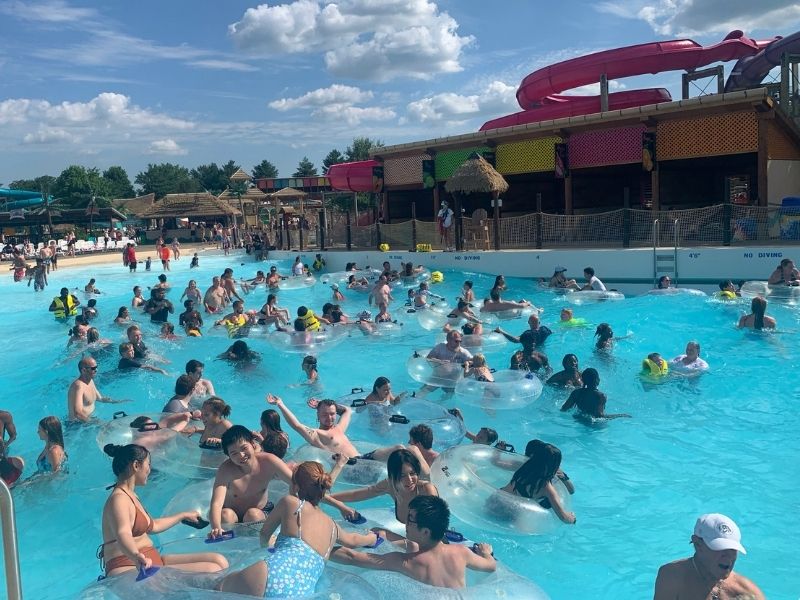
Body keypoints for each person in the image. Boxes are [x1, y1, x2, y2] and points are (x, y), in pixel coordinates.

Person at [217, 460, 380, 597]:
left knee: (217, 588)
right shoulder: (332, 526)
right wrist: (371, 538)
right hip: (299, 593)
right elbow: (353, 540)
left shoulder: (291, 503)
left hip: (267, 573)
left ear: (295, 487)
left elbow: (264, 534)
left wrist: (268, 547)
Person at [98, 443, 227, 577]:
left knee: (218, 560)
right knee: (212, 569)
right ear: (136, 465)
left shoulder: (131, 495)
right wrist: (136, 556)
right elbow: (123, 534)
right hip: (131, 565)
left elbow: (153, 526)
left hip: (148, 558)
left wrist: (183, 515)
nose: (150, 469)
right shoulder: (119, 499)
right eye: (148, 464)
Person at [331, 495, 496, 589]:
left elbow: (352, 557)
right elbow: (491, 566)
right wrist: (486, 553)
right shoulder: (461, 553)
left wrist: (320, 542)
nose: (406, 525)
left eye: (410, 520)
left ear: (425, 531)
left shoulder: (407, 562)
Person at [654, 513, 765, 600]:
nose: (728, 557)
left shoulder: (747, 592)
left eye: (733, 550)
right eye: (719, 548)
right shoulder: (673, 577)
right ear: (698, 544)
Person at [208, 426, 293, 537]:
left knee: (252, 514)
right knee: (225, 515)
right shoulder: (225, 470)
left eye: (244, 448)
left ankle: (257, 545)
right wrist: (216, 527)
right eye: (234, 453)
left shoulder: (269, 461)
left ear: (253, 444)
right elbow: (216, 503)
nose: (241, 455)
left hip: (259, 512)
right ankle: (230, 545)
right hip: (232, 514)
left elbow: (295, 483)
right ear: (228, 456)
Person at [331, 449, 439, 524]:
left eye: (412, 473)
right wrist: (327, 497)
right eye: (402, 475)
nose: (409, 480)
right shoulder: (390, 485)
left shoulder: (426, 491)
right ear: (392, 476)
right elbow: (357, 494)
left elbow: (432, 531)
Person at [493, 440, 576, 525]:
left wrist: (498, 451)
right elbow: (563, 517)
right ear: (555, 465)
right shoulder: (546, 487)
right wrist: (572, 518)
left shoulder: (522, 466)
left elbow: (496, 462)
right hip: (509, 513)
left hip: (494, 501)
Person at [267, 394, 360, 458]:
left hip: (361, 459)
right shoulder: (317, 434)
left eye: (332, 414)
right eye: (324, 414)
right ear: (318, 415)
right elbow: (296, 425)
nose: (329, 417)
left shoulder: (340, 428)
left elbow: (347, 411)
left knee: (375, 453)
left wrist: (321, 403)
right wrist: (280, 404)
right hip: (350, 467)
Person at [560, 368, 631, 421]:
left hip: (578, 420)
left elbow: (564, 409)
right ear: (597, 380)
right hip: (593, 426)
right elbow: (599, 417)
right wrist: (620, 415)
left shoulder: (576, 392)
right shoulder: (600, 396)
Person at [68, 356, 123, 422]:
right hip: (78, 424)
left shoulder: (90, 381)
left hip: (90, 419)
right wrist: (96, 424)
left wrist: (115, 401)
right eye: (93, 368)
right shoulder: (78, 386)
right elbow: (78, 413)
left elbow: (100, 398)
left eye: (96, 367)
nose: (96, 370)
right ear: (84, 370)